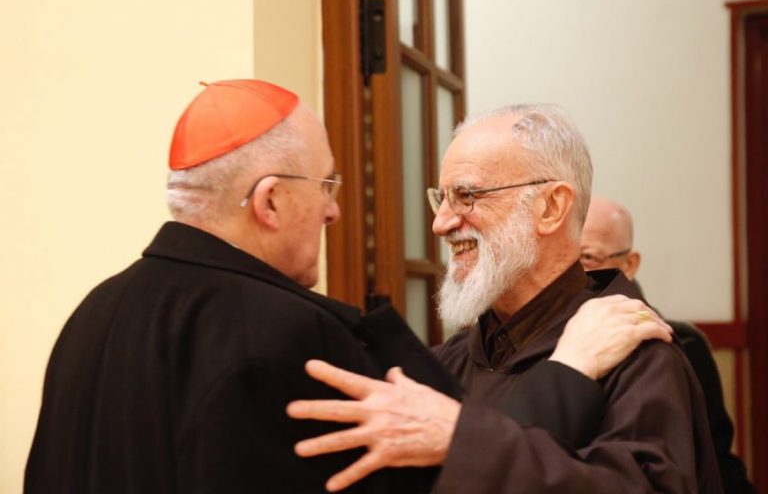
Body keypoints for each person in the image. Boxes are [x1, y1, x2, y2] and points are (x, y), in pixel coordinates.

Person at [24, 82, 668, 494]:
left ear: (553, 207)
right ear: (270, 201)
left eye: (467, 196)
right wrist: (569, 375)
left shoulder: (89, 318)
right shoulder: (288, 334)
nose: (336, 213)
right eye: (326, 187)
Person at [288, 104, 723, 493]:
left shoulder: (635, 353)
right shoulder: (452, 358)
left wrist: (460, 439)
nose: (440, 224)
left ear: (551, 207)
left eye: (468, 196)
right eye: (442, 198)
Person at [581, 195, 756, 494]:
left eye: (587, 258)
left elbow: (716, 462)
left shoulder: (679, 345)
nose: (574, 273)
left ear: (630, 263)